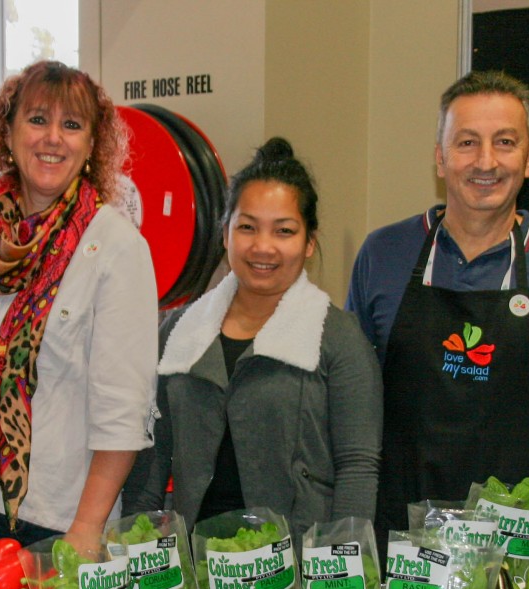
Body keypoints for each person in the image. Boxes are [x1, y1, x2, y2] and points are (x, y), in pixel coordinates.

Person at [346, 71, 529, 570]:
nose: (486, 162)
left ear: (528, 158)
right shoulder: (384, 253)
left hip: (517, 544)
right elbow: (352, 406)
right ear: (439, 157)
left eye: (505, 143)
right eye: (466, 143)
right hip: (400, 542)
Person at [0, 60, 158, 547]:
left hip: (58, 514)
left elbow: (124, 409)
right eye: (37, 119)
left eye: (72, 125)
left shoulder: (115, 246)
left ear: (90, 145)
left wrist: (86, 528)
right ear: (9, 130)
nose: (52, 138)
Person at [123, 138, 382, 535]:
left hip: (296, 573)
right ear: (225, 232)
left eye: (284, 231)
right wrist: (135, 550)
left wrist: (335, 575)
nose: (263, 247)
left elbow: (358, 468)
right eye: (247, 227)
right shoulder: (177, 333)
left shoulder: (340, 341)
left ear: (309, 241)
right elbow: (149, 469)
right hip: (197, 568)